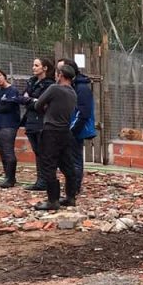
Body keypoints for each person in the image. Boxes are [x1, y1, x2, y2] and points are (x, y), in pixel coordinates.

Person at [31, 63, 78, 210]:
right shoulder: (73, 92)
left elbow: (38, 105)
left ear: (61, 75)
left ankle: (53, 200)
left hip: (51, 131)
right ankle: (70, 197)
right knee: (67, 165)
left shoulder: (54, 88)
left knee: (48, 165)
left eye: (57, 73)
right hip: (65, 132)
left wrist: (45, 106)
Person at [56, 58, 95, 195]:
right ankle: (71, 187)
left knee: (75, 160)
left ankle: (74, 189)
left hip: (74, 129)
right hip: (65, 128)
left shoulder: (81, 88)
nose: (58, 73)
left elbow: (83, 112)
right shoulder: (69, 86)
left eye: (61, 70)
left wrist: (72, 130)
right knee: (68, 159)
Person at [20, 58, 55, 191]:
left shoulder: (49, 84)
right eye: (33, 65)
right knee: (37, 152)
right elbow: (23, 98)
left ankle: (45, 181)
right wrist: (32, 100)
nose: (33, 68)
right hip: (30, 122)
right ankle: (40, 180)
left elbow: (43, 104)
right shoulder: (32, 81)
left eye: (36, 65)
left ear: (45, 68)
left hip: (42, 122)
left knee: (44, 153)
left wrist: (32, 100)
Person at [0, 68, 20, 188]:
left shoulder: (12, 90)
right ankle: (7, 176)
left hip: (9, 124)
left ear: (4, 76)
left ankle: (11, 178)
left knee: (8, 151)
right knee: (2, 151)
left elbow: (7, 108)